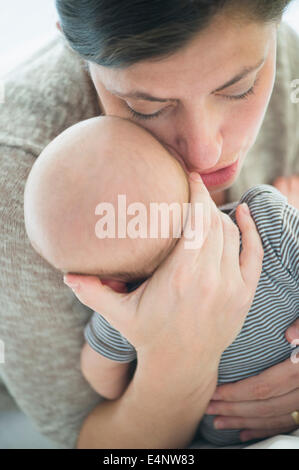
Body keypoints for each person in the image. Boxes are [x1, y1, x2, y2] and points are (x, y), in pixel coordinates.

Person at [0, 0, 298, 449]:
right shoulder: (22, 178)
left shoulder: (285, 54)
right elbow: (91, 441)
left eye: (240, 88)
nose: (204, 153)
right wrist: (180, 355)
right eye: (145, 106)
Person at [24, 114, 299, 447]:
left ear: (104, 285)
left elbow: (104, 382)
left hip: (232, 434)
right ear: (191, 176)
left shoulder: (128, 314)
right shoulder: (267, 221)